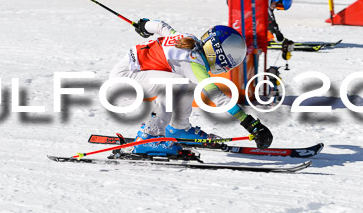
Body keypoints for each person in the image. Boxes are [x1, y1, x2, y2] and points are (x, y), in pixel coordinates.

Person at [109, 19, 273, 156]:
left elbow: (161, 27)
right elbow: (218, 96)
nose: (225, 67)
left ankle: (178, 128)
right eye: (226, 62)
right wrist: (250, 124)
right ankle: (148, 136)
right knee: (177, 83)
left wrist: (144, 25)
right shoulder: (193, 63)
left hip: (131, 73)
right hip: (125, 80)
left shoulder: (190, 40)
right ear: (216, 54)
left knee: (187, 83)